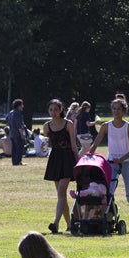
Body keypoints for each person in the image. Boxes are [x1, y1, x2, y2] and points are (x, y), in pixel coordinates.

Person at [85, 98, 129, 230]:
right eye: (114, 109)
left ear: (123, 111)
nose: (116, 111)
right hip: (112, 164)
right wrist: (89, 154)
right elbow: (96, 143)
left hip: (127, 163)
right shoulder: (106, 126)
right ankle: (108, 218)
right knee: (107, 193)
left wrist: (121, 159)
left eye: (119, 109)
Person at [42, 99, 79, 234]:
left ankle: (56, 223)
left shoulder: (68, 124)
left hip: (67, 158)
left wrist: (78, 161)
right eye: (51, 110)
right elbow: (46, 144)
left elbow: (74, 146)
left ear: (61, 110)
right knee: (61, 195)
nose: (53, 112)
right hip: (55, 159)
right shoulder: (47, 126)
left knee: (62, 191)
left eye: (56, 109)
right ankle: (69, 224)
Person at [6, 98, 27, 166]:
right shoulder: (17, 113)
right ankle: (18, 161)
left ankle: (14, 162)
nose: (23, 106)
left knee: (14, 149)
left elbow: (8, 122)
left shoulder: (10, 113)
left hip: (12, 133)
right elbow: (19, 125)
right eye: (22, 105)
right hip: (17, 134)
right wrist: (22, 134)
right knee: (19, 148)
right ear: (18, 105)